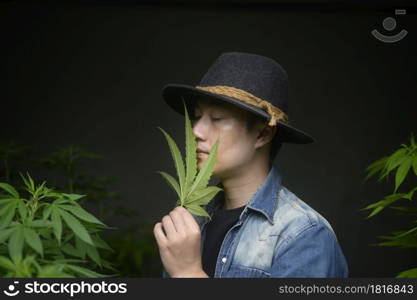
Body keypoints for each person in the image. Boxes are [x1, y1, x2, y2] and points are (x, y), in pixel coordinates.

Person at [153, 52, 349, 278]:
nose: (196, 131)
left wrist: (188, 273)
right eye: (197, 117)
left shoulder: (302, 234)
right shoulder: (194, 221)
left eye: (217, 118)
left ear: (263, 134)